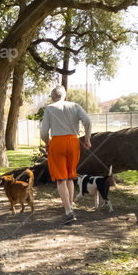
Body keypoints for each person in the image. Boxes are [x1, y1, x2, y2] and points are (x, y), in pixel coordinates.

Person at [40, 86, 92, 224]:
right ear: (65, 95)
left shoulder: (50, 108)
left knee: (61, 179)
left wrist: (47, 143)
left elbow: (44, 132)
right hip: (74, 141)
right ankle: (71, 206)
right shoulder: (75, 106)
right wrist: (87, 139)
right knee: (70, 176)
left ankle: (68, 211)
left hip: (57, 142)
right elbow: (87, 121)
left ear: (52, 97)